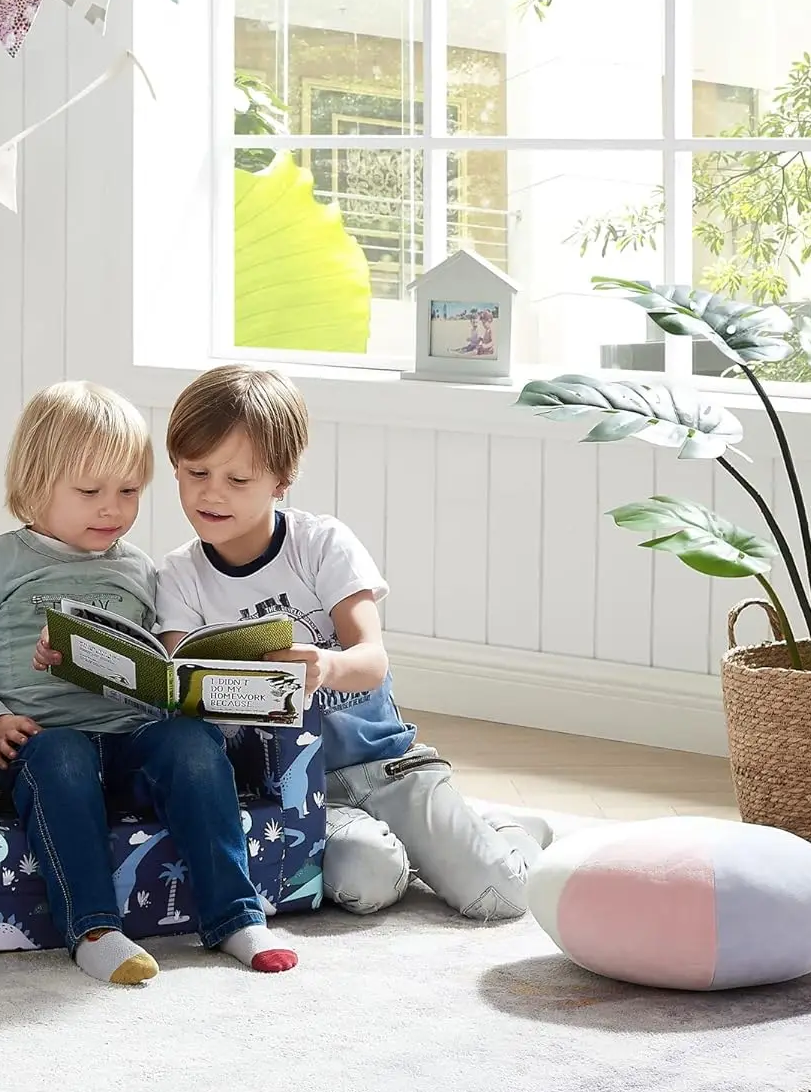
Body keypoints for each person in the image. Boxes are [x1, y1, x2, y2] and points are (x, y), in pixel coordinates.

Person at [151, 363, 550, 922]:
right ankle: (427, 845)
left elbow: (371, 659)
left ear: (281, 481)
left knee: (501, 895)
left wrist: (325, 665)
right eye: (196, 472)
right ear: (175, 466)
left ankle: (504, 829)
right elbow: (182, 679)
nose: (211, 493)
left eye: (237, 480)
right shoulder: (178, 576)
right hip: (296, 791)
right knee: (367, 882)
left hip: (385, 766)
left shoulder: (321, 544)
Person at [0, 380, 297, 984]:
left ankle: (235, 916)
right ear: (36, 481)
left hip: (130, 740)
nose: (113, 509)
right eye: (90, 492)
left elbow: (154, 658)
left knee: (192, 743)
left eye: (129, 492)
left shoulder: (139, 568)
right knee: (63, 754)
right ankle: (95, 930)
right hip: (42, 746)